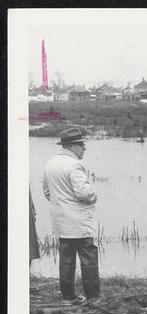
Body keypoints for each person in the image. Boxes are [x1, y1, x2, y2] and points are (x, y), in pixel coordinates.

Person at [42, 126, 100, 304]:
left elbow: (46, 191)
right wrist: (94, 196)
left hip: (61, 220)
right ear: (72, 146)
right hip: (79, 221)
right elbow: (84, 193)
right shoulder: (74, 165)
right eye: (82, 145)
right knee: (88, 256)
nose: (84, 148)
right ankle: (93, 297)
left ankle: (68, 297)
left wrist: (61, 203)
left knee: (66, 258)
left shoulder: (50, 163)